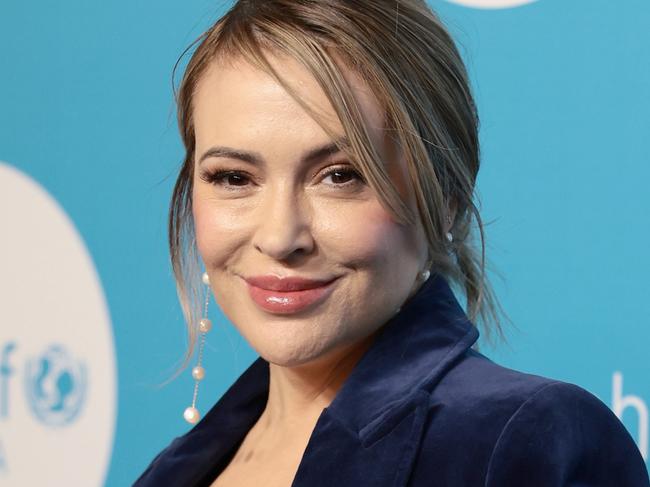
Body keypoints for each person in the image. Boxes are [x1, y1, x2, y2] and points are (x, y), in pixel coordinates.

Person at [134, 1, 650, 485]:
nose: (279, 236)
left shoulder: (525, 442)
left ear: (446, 196)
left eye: (340, 175)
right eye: (233, 178)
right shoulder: (175, 471)